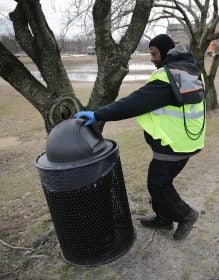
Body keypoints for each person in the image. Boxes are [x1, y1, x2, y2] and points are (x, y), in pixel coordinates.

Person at [75, 34, 206, 240]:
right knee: (158, 181)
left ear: (164, 52)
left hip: (175, 144)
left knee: (158, 184)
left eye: (154, 53)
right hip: (186, 139)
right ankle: (163, 219)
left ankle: (186, 215)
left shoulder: (167, 78)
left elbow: (134, 103)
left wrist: (97, 114)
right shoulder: (188, 70)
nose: (152, 58)